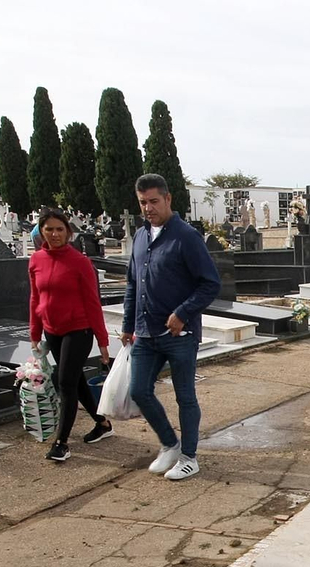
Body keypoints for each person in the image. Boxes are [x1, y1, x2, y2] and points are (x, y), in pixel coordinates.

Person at [121, 172, 221, 482]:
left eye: (153, 201)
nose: (148, 208)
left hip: (180, 334)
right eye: (142, 203)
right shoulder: (140, 237)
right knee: (139, 391)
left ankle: (190, 457)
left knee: (185, 397)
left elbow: (210, 284)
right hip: (145, 333)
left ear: (168, 199)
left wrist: (182, 313)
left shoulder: (185, 237)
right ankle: (170, 444)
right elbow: (132, 284)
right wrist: (128, 323)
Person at [28, 208, 111, 463]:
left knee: (64, 382)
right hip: (53, 331)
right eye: (49, 229)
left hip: (79, 330)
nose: (54, 234)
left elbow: (92, 303)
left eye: (59, 229)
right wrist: (35, 332)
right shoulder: (36, 261)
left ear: (69, 232)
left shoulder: (80, 263)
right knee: (76, 382)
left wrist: (103, 341)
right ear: (41, 231)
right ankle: (102, 422)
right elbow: (35, 298)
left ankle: (61, 442)